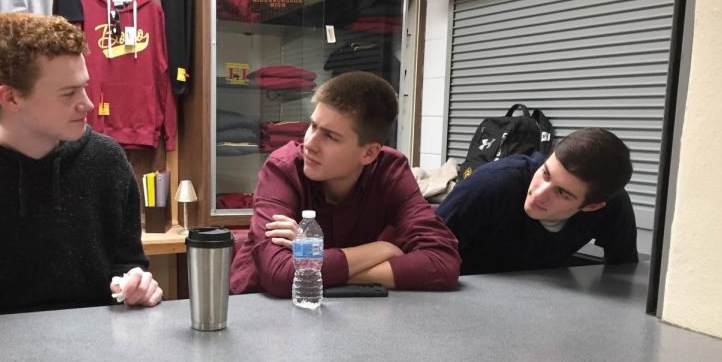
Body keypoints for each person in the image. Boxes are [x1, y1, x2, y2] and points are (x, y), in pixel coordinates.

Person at [0, 12, 162, 322]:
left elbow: (127, 264)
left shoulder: (108, 163)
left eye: (84, 87)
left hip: (98, 358)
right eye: (69, 93)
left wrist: (137, 286)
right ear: (11, 98)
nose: (88, 104)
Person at [230, 71, 460, 296]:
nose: (310, 143)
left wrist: (312, 256)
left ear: (369, 153)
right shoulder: (282, 168)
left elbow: (443, 262)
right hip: (257, 310)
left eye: (330, 136)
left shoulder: (390, 171)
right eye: (313, 126)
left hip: (343, 312)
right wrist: (379, 250)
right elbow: (279, 275)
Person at [435, 127, 639, 275]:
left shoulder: (613, 206)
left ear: (592, 206)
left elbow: (623, 269)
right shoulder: (489, 186)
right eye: (546, 173)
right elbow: (423, 253)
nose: (539, 194)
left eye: (562, 193)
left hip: (546, 302)